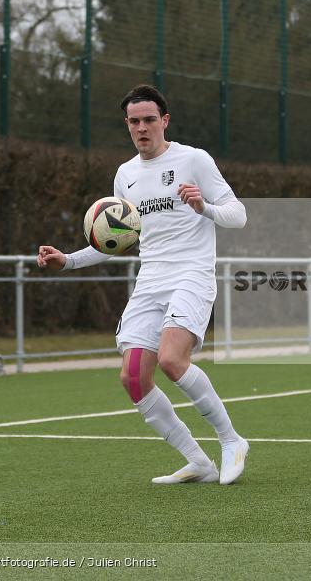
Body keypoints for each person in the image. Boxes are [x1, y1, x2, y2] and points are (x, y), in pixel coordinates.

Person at [38, 85, 249, 484]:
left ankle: (231, 440)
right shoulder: (126, 175)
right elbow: (116, 241)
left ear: (164, 121)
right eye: (134, 121)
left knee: (172, 359)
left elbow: (238, 214)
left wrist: (204, 208)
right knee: (133, 377)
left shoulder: (194, 160)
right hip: (150, 280)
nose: (142, 128)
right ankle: (197, 461)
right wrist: (68, 261)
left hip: (191, 273)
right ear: (127, 126)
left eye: (149, 119)